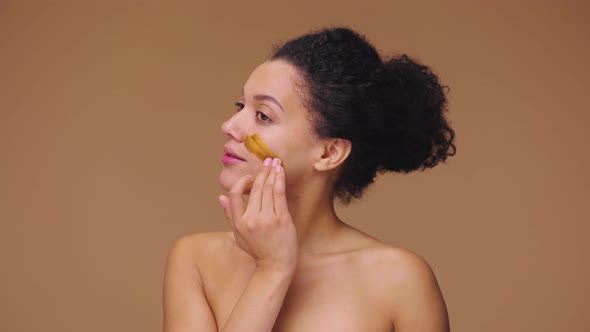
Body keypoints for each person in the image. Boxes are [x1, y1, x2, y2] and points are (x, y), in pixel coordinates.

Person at [163, 27, 456, 332]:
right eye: (241, 106)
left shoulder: (401, 279)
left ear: (329, 153)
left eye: (263, 115)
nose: (229, 125)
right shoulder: (195, 259)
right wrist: (271, 271)